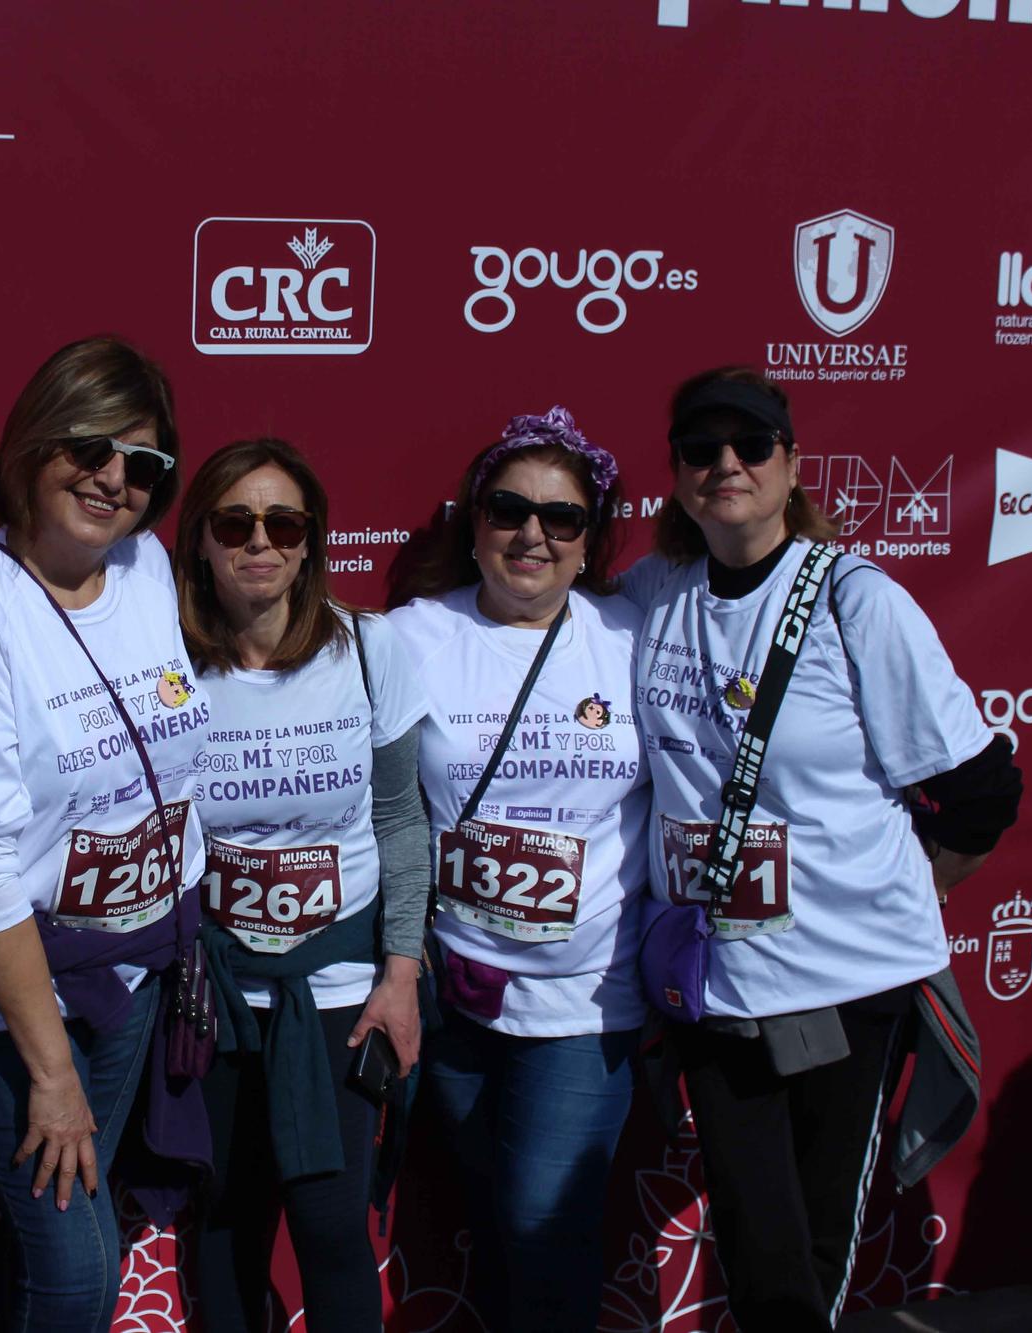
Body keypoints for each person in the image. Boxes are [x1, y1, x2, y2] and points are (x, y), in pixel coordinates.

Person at [628, 366, 1020, 1331]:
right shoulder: (651, 594)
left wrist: (898, 889)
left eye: (751, 445)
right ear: (676, 474)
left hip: (845, 985)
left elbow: (982, 791)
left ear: (791, 465)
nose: (727, 465)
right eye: (701, 449)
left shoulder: (857, 598)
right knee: (762, 1243)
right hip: (713, 977)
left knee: (805, 1257)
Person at [0, 336, 213, 1332]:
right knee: (75, 1266)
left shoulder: (148, 566)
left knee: (79, 1248)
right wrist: (48, 1075)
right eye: (89, 449)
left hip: (131, 971)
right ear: (34, 445)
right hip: (13, 1003)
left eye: (143, 465)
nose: (114, 480)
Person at [387, 409, 650, 1333]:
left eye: (562, 517)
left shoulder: (632, 636)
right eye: (509, 508)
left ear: (590, 538)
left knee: (545, 1231)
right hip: (458, 997)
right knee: (497, 1226)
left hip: (587, 1001)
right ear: (475, 521)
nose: (533, 533)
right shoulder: (412, 636)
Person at [173, 438, 431, 1332]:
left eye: (283, 522)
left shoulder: (367, 648)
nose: (260, 541)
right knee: (226, 1223)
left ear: (311, 538)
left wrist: (401, 975)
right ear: (200, 539)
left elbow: (402, 819)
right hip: (214, 995)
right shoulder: (166, 661)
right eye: (233, 522)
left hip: (335, 990)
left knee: (328, 1224)